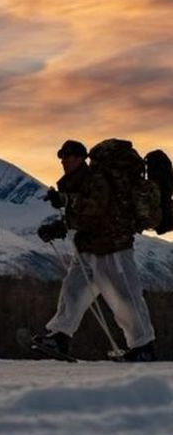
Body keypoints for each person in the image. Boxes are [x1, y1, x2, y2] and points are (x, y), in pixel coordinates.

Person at [36, 139, 156, 361]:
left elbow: (96, 209)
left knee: (125, 299)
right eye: (61, 156)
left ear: (81, 158)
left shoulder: (96, 179)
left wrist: (65, 201)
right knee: (72, 291)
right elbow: (83, 215)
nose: (64, 160)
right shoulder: (78, 182)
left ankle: (143, 346)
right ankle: (60, 336)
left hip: (113, 248)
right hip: (89, 249)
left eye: (68, 155)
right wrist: (58, 227)